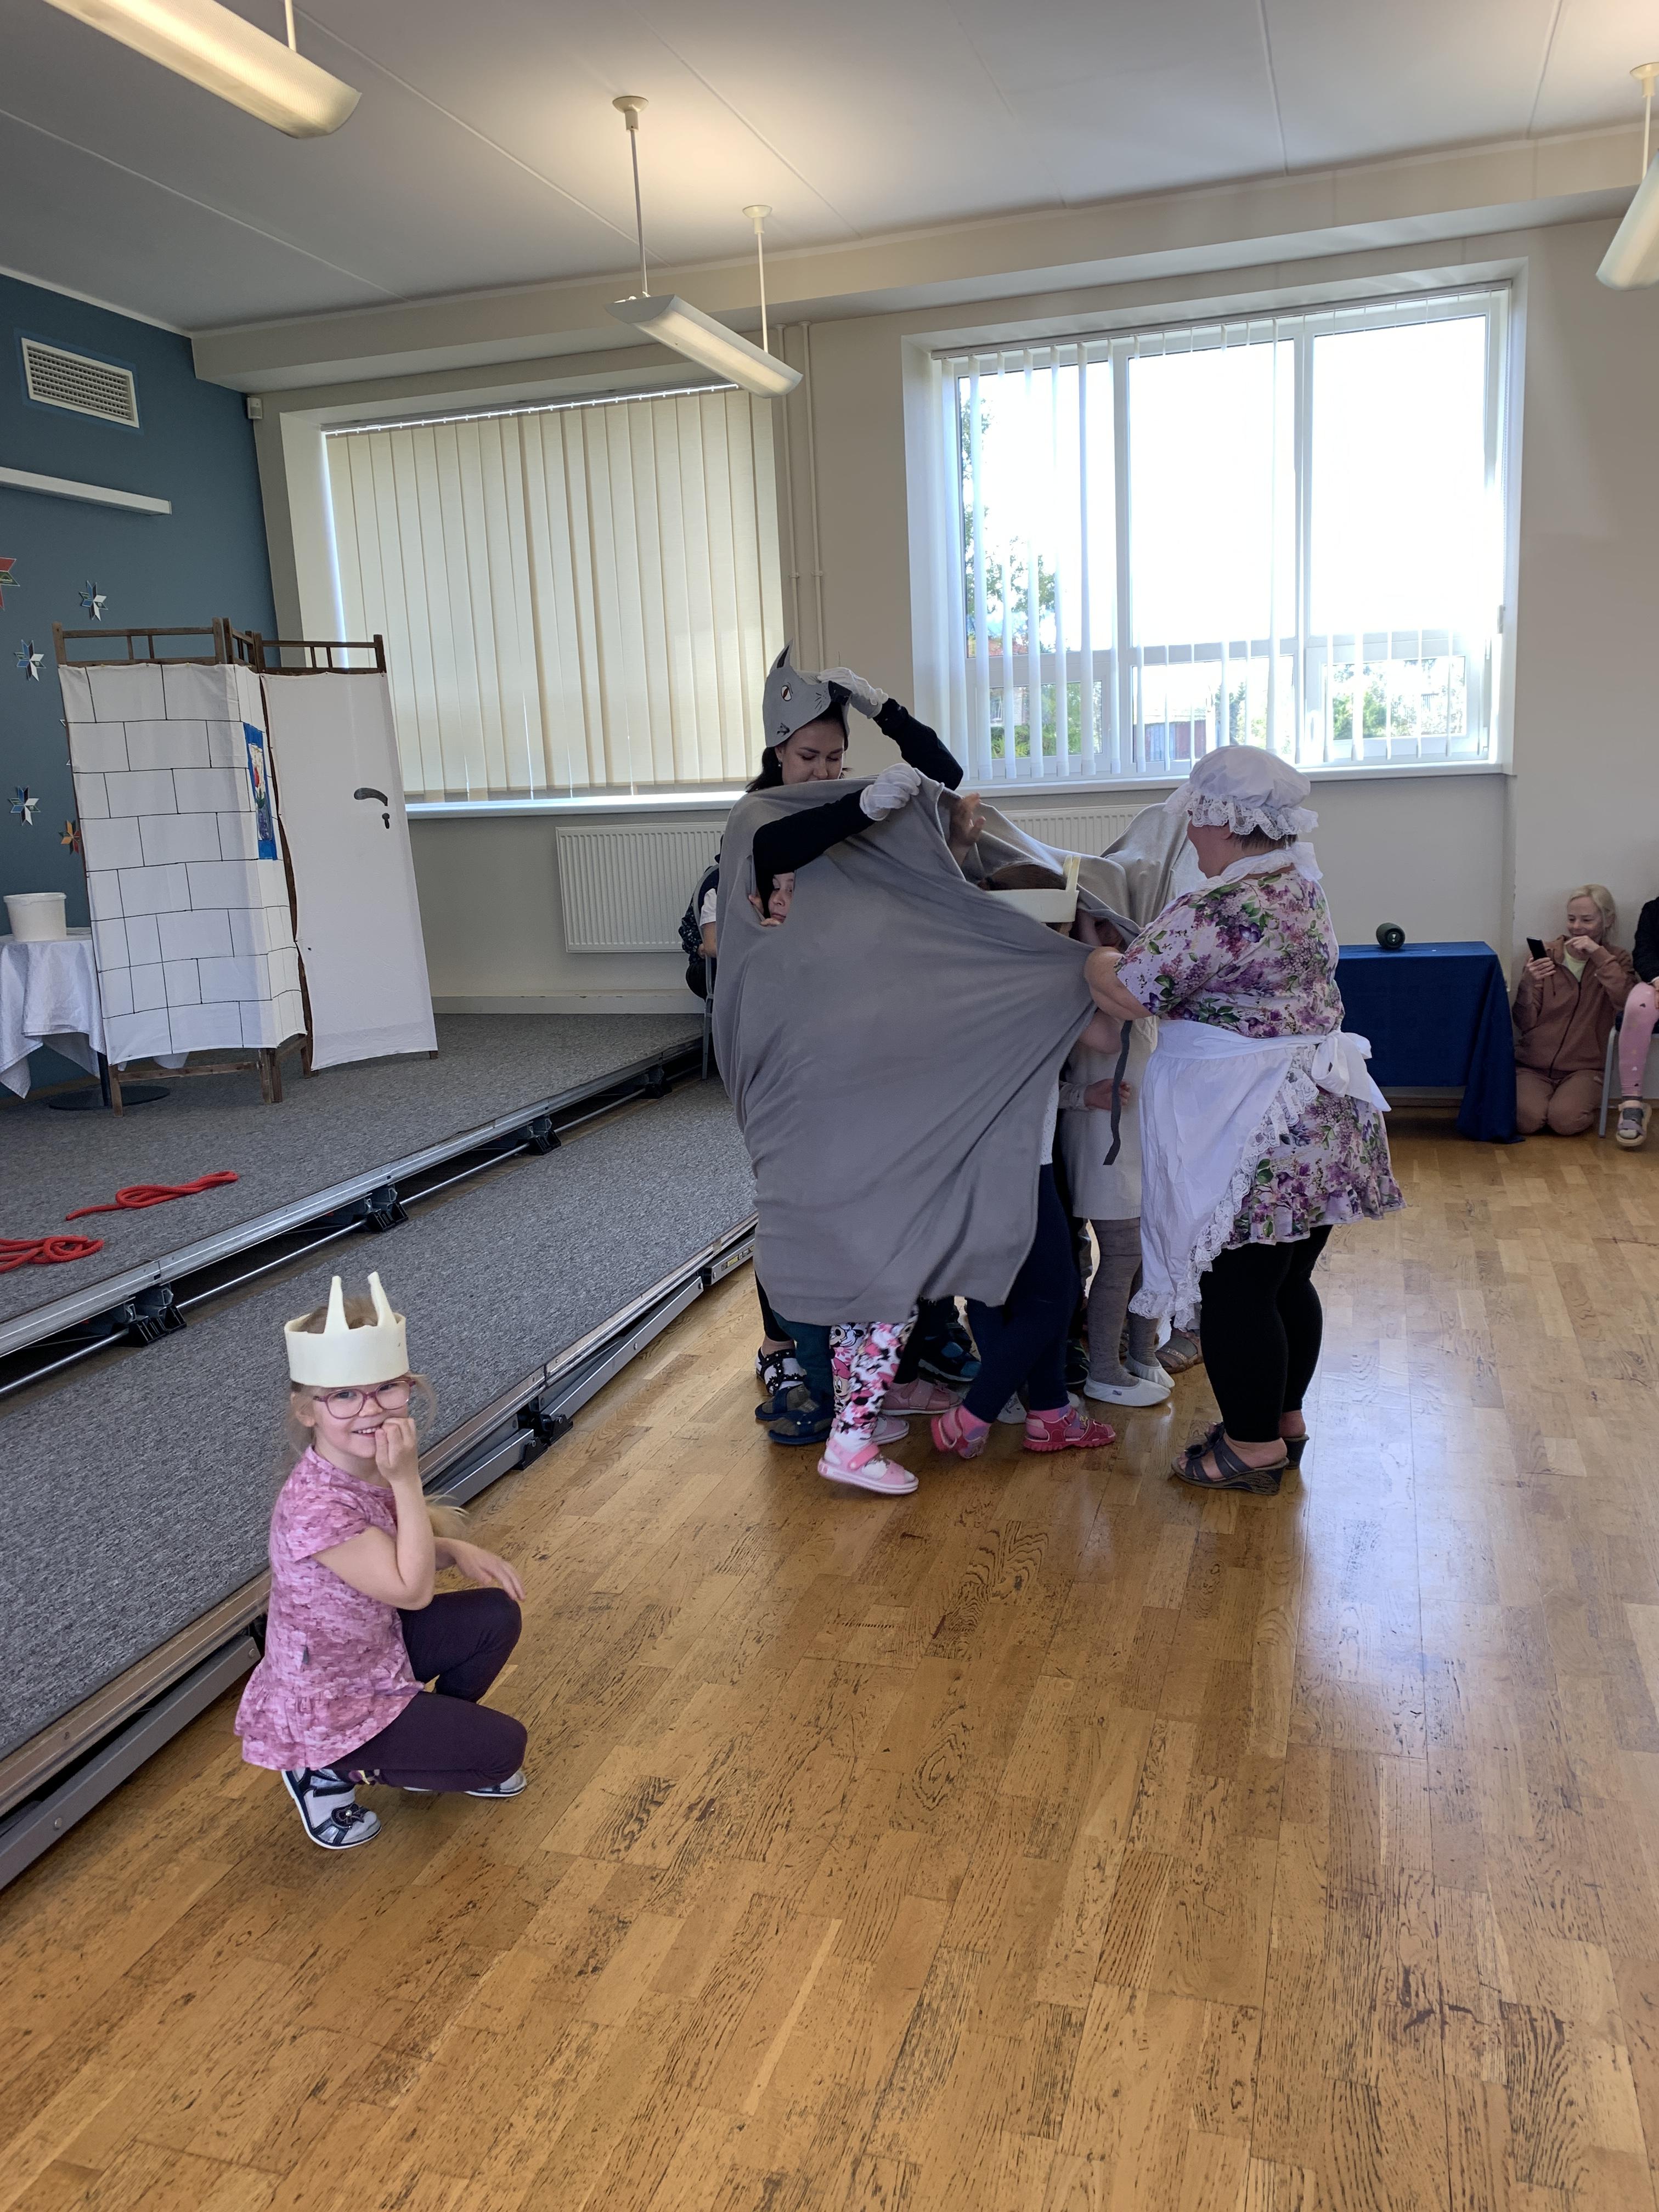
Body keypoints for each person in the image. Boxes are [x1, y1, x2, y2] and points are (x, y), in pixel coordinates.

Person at [1084, 747, 1402, 1497]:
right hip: (1318, 1116)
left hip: (1258, 1123)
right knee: (1286, 1281)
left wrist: (1093, 957)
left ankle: (1252, 1445)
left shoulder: (1221, 906)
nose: (1190, 833)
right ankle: (1282, 1422)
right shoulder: (1298, 885)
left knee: (1237, 1291)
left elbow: (1130, 993)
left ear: (1224, 820)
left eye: (1196, 818)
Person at [236, 1272, 528, 1849]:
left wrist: (454, 1549)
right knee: (503, 1751)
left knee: (495, 1615)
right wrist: (407, 1479)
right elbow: (412, 1590)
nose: (370, 1409)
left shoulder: (363, 1465)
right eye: (344, 1395)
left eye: (388, 1388)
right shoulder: (317, 1506)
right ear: (307, 1410)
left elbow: (395, 1555)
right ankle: (323, 1771)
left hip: (373, 1650)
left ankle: (422, 1754)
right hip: (330, 1699)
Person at [931, 864, 1119, 1461]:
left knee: (997, 1290)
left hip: (969, 1161)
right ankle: (974, 1414)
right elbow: (1109, 1035)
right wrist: (1088, 947)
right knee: (1054, 1296)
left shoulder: (966, 970)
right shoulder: (1044, 976)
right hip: (1018, 1164)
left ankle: (1050, 1414)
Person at [1058, 913, 1170, 1409]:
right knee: (1124, 1253)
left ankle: (1142, 1354)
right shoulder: (1077, 991)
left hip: (1146, 1138)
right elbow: (1103, 1033)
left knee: (1152, 1251)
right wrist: (1083, 1096)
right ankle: (1105, 1369)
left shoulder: (1139, 981)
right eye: (1098, 925)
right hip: (1101, 1140)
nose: (1111, 936)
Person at [1513, 885, 1633, 1139]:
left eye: (1587, 920)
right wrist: (1527, 984)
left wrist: (1600, 956)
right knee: (1526, 1119)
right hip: (1533, 1065)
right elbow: (1523, 1022)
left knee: (1565, 1121)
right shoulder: (1545, 954)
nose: (1577, 927)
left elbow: (1626, 1004)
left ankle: (1567, 1102)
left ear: (1608, 920)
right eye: (1571, 919)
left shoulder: (1617, 959)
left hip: (1585, 1068)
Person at [1615, 891, 1659, 1148]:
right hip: (1656, 984)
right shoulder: (1653, 910)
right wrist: (1658, 980)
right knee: (1638, 1006)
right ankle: (1632, 1103)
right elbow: (1643, 953)